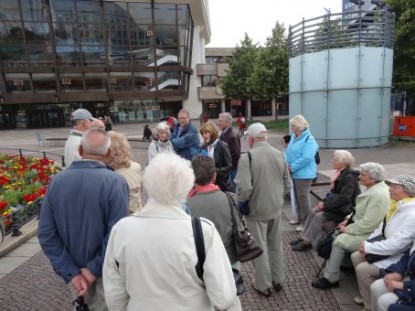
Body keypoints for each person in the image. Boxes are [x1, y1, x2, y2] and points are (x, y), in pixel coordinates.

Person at [103, 153, 239, 310]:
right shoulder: (203, 231)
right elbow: (224, 297)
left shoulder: (121, 230)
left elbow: (114, 296)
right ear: (188, 184)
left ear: (147, 182)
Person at [38, 128, 129, 310]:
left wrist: (73, 272)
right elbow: (116, 235)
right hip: (106, 274)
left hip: (75, 275)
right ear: (109, 153)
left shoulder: (57, 181)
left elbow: (46, 233)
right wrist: (92, 270)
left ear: (79, 150)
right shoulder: (115, 182)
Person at [311, 162, 389, 289]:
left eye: (363, 175)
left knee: (338, 241)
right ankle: (346, 265)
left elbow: (370, 223)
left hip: (369, 233)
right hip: (362, 228)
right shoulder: (375, 189)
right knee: (339, 237)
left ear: (373, 179)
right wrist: (347, 220)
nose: (359, 177)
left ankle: (331, 278)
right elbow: (358, 210)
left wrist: (348, 229)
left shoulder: (379, 195)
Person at [235, 122, 290, 297]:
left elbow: (244, 189)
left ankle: (263, 284)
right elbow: (288, 184)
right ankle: (278, 279)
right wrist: (277, 197)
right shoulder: (279, 154)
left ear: (251, 138)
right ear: (265, 136)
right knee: (275, 244)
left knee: (259, 247)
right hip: (275, 207)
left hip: (256, 210)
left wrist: (240, 202)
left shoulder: (247, 158)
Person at [351, 174, 415, 311]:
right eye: (390, 186)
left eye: (394, 186)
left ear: (407, 190)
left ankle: (369, 305)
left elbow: (398, 245)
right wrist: (367, 245)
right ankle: (366, 297)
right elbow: (380, 229)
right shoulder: (396, 206)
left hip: (396, 255)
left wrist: (369, 247)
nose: (390, 189)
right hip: (390, 252)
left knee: (363, 269)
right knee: (356, 255)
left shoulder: (411, 214)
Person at [187, 155, 242, 309]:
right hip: (228, 258)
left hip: (197, 262)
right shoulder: (230, 198)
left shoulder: (185, 204)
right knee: (230, 296)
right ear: (214, 176)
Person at [291, 150, 361, 252]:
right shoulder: (339, 173)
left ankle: (307, 243)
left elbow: (344, 199)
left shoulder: (348, 177)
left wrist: (325, 205)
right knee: (312, 211)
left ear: (343, 163)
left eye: (335, 160)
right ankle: (303, 238)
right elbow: (334, 195)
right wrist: (323, 204)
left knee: (319, 216)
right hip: (338, 207)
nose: (332, 161)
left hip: (346, 210)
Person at [285, 114, 319, 232]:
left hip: (304, 174)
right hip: (294, 173)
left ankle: (306, 222)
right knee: (296, 197)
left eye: (293, 126)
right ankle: (299, 218)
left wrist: (291, 167)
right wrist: (285, 164)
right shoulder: (295, 136)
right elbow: (288, 152)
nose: (291, 128)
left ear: (299, 127)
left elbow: (306, 158)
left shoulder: (309, 139)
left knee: (303, 198)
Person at [106, 131, 143, 214]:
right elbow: (140, 191)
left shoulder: (110, 175)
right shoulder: (136, 167)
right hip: (139, 213)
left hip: (122, 219)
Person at [371, 241, 415, 311]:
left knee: (384, 301)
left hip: (411, 287)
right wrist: (399, 273)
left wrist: (404, 285)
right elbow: (408, 256)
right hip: (410, 278)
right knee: (377, 287)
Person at [198, 121, 233, 192]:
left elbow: (229, 166)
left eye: (206, 133)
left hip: (221, 184)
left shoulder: (222, 146)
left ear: (212, 133)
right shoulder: (202, 147)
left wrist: (214, 171)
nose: (204, 135)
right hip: (206, 184)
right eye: (202, 133)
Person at [218, 112, 241, 184]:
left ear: (228, 122)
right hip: (227, 169)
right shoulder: (224, 133)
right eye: (218, 121)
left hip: (231, 170)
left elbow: (236, 155)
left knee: (232, 192)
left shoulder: (231, 136)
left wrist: (226, 166)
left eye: (221, 121)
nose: (218, 123)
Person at [282, 134, 297, 225]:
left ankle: (296, 215)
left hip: (292, 173)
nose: (282, 144)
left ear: (288, 143)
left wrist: (289, 168)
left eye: (283, 142)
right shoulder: (284, 150)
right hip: (287, 172)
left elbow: (287, 162)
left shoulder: (291, 150)